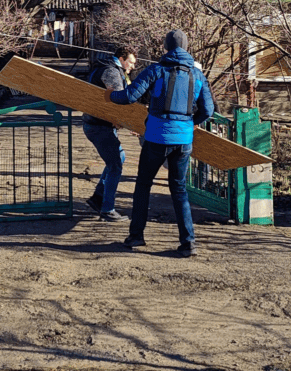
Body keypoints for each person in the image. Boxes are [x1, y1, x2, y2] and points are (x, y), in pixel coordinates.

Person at [107, 30, 214, 257]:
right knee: (179, 189)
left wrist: (110, 97)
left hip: (156, 137)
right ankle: (188, 243)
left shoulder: (156, 70)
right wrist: (190, 123)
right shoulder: (197, 75)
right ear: (186, 48)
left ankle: (136, 236)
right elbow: (209, 110)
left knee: (143, 185)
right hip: (183, 140)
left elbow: (129, 96)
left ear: (165, 47)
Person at [83, 46, 137, 221]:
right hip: (99, 125)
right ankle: (107, 209)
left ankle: (98, 197)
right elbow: (117, 99)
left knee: (118, 159)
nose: (132, 67)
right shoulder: (111, 72)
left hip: (97, 123)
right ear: (121, 59)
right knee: (115, 165)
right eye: (131, 62)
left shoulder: (107, 68)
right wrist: (130, 123)